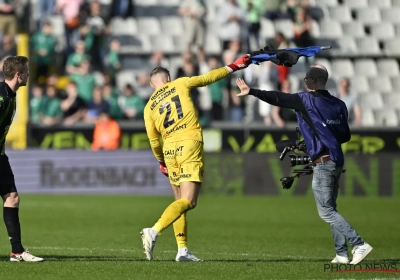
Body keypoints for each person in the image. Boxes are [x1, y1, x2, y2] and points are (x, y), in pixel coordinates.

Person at [234, 64, 373, 265]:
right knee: (331, 208)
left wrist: (251, 91)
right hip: (335, 160)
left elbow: (277, 98)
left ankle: (358, 244)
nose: (305, 82)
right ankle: (342, 253)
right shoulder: (339, 104)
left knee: (326, 211)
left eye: (308, 79)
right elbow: (345, 135)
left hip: (323, 163)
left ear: (312, 82)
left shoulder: (305, 100)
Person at [141, 54, 251, 261]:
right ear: (168, 78)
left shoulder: (148, 108)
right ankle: (153, 231)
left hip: (169, 150)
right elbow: (208, 78)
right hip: (189, 144)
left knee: (179, 201)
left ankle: (182, 250)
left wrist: (161, 161)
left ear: (151, 84)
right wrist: (233, 66)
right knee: (189, 201)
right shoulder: (180, 84)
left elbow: (154, 141)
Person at [0, 56, 43, 262]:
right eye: (26, 72)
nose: (28, 75)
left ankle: (17, 252)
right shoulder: (2, 98)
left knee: (12, 197)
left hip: (0, 156)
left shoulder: (10, 94)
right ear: (18, 75)